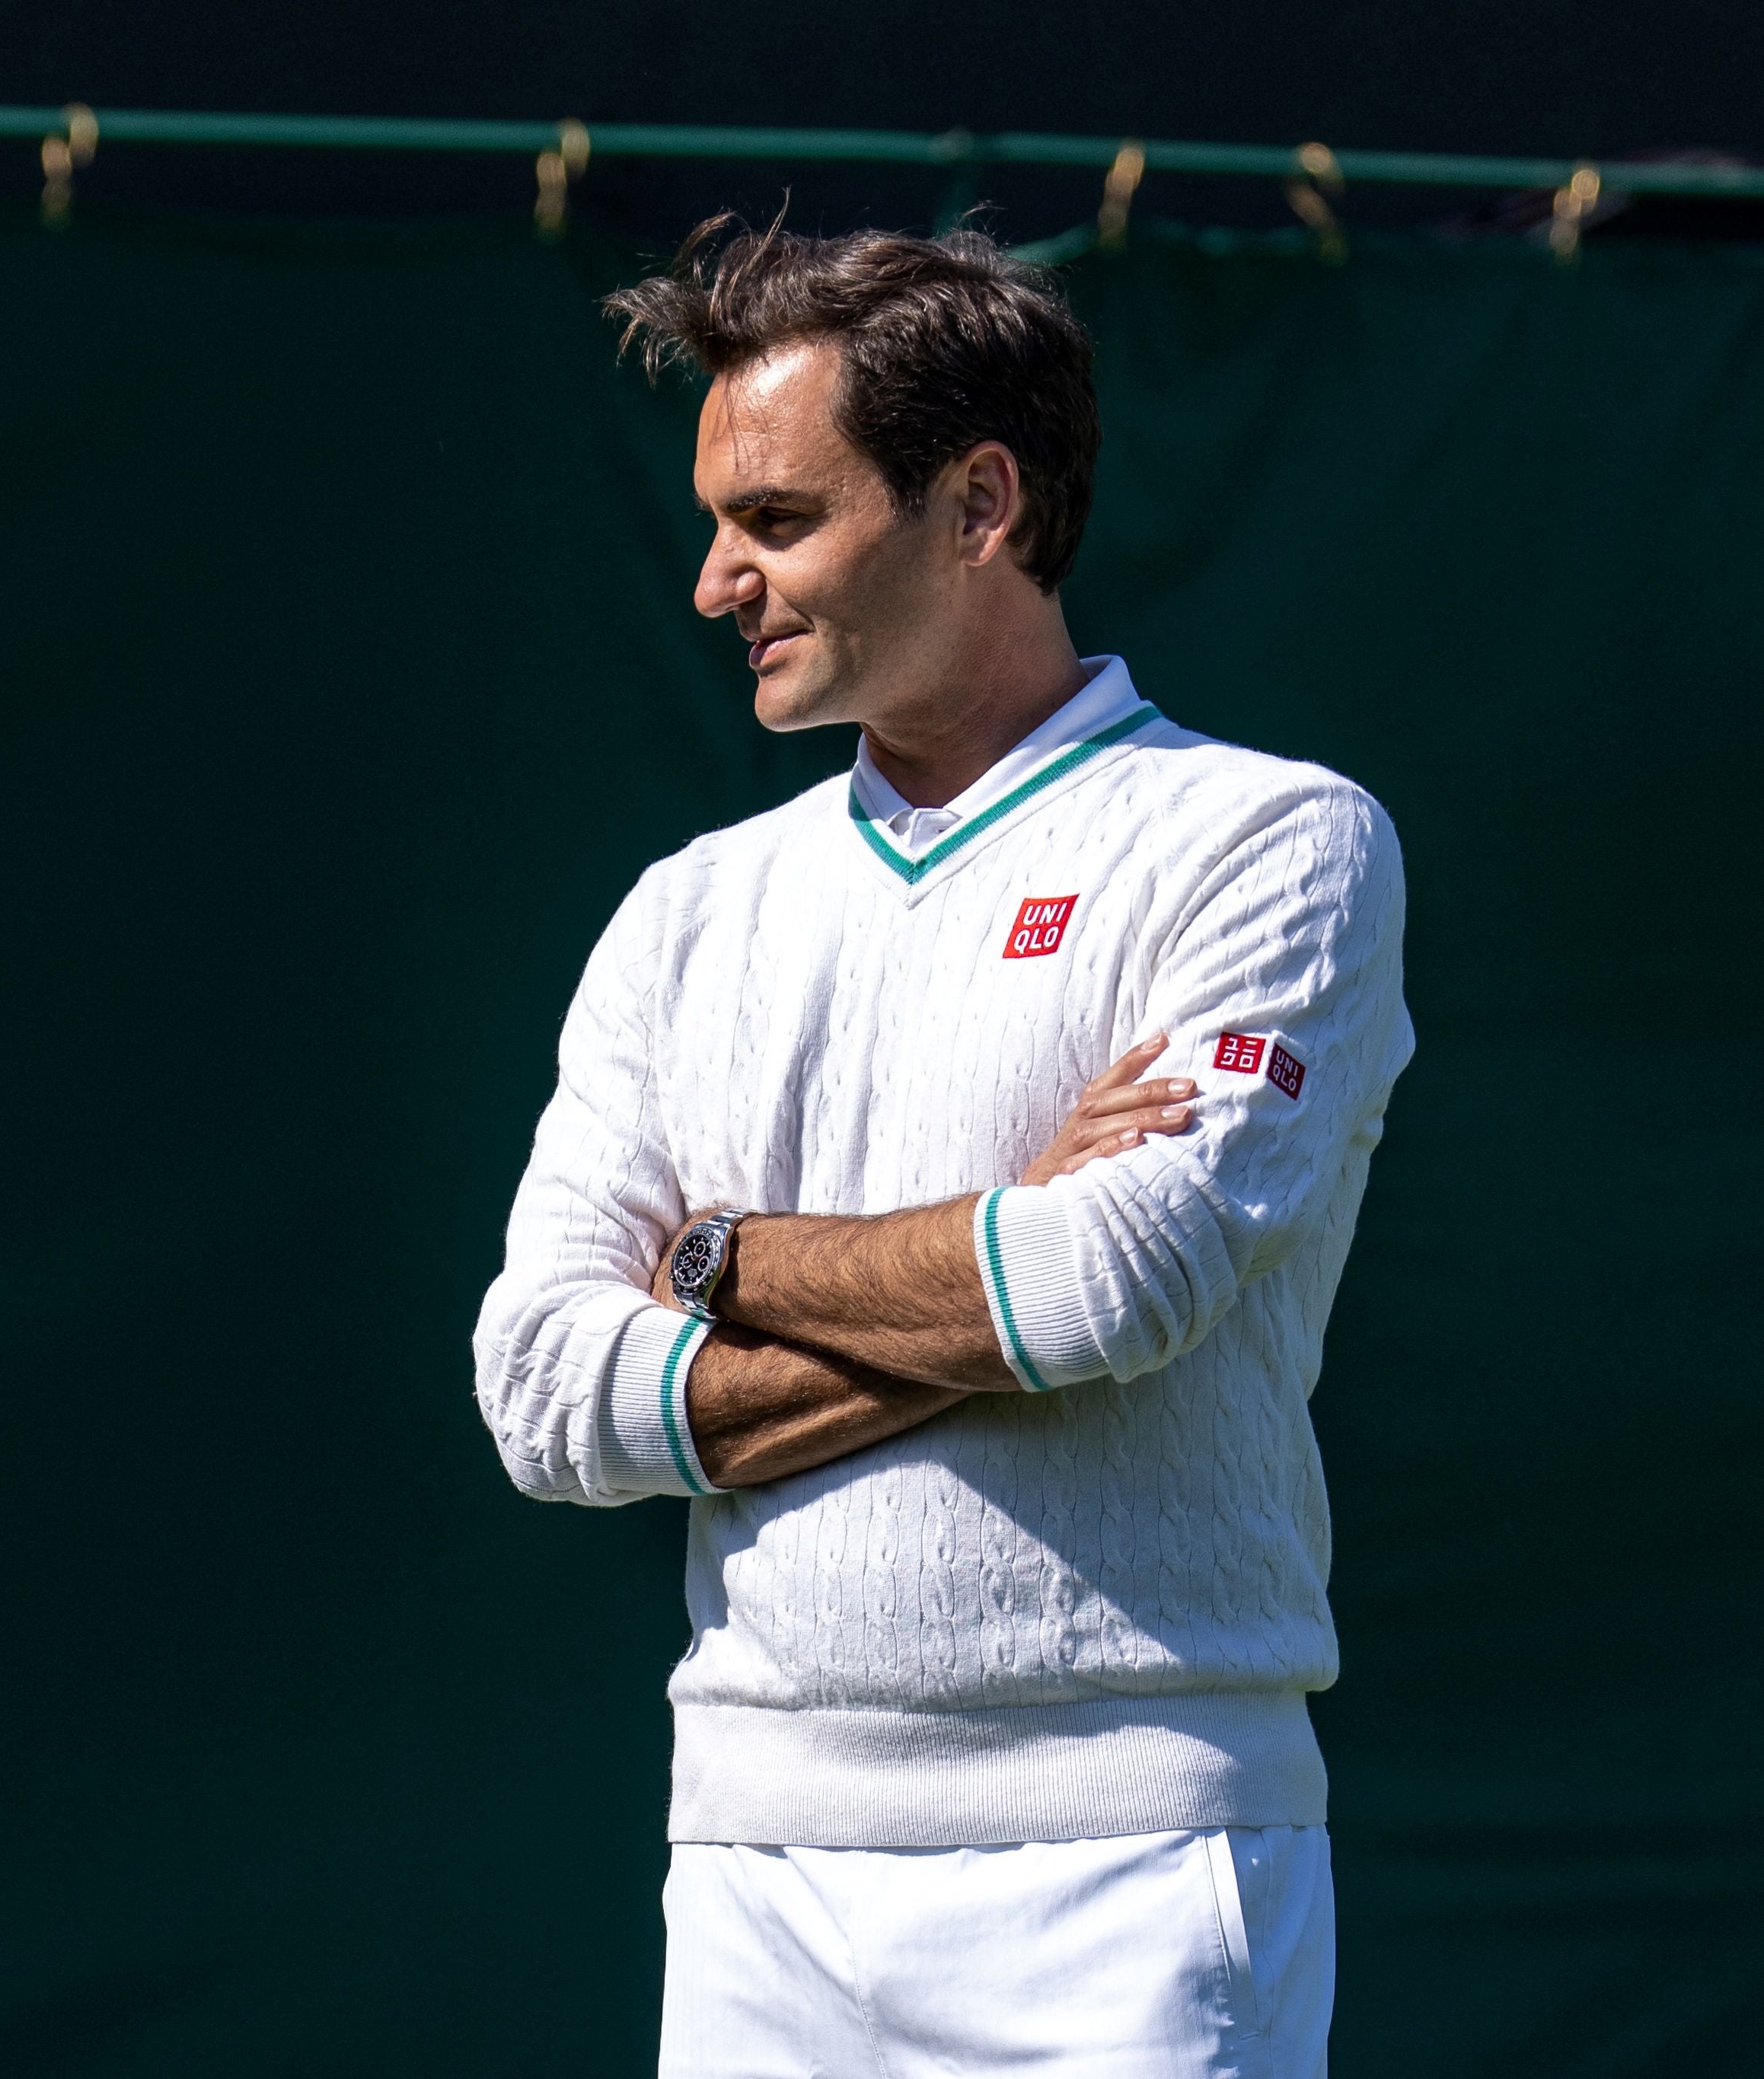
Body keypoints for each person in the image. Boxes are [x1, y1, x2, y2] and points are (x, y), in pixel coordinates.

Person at [473, 224, 1412, 2077]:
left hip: (1141, 1864)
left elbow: (1110, 1284)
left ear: (979, 500)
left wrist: (720, 1260)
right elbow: (539, 1393)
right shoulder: (685, 914)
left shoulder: (1277, 845)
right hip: (752, 1871)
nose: (714, 582)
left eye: (777, 519)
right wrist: (993, 1260)